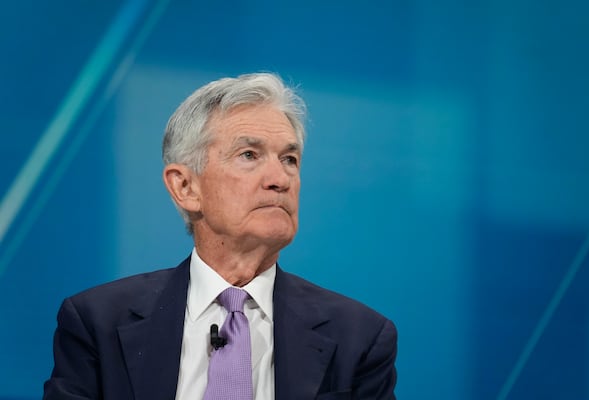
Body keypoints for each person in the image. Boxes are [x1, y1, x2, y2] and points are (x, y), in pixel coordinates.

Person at [43, 72, 397, 399]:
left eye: (289, 159)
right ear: (185, 186)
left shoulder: (359, 338)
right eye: (249, 155)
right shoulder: (97, 323)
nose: (280, 179)